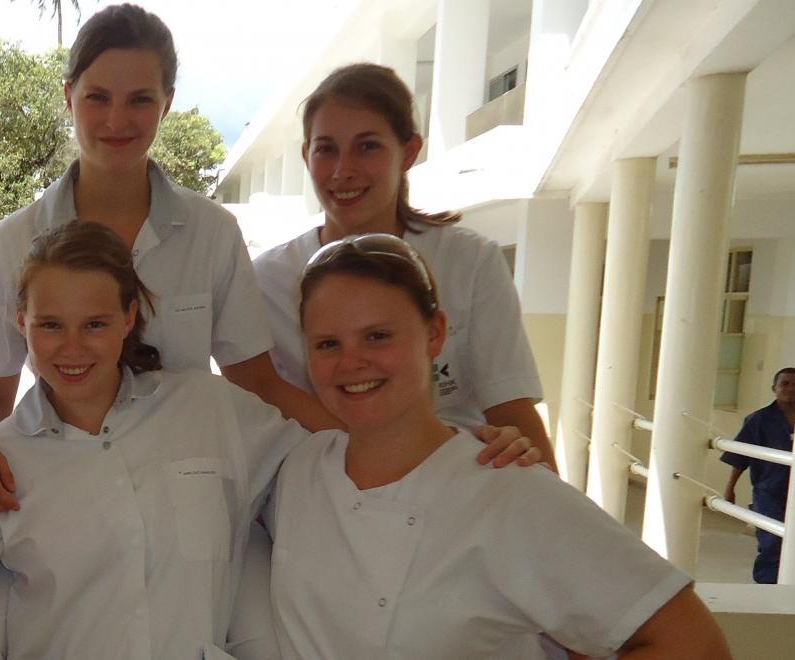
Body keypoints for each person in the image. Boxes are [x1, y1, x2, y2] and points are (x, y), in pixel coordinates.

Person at [0, 3, 339, 515]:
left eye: (140, 100)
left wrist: (386, 443)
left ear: (167, 104)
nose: (116, 120)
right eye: (98, 97)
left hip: (185, 497)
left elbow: (259, 384)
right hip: (66, 492)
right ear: (69, 98)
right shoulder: (14, 240)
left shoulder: (212, 233)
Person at [264, 233, 729, 658]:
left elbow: (693, 643)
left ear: (435, 333)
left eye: (378, 336)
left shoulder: (507, 487)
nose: (351, 362)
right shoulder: (296, 469)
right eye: (327, 344)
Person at [0, 220, 315, 659]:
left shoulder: (209, 408)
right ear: (22, 322)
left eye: (94, 324)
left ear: (129, 317)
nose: (72, 348)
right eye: (50, 325)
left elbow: (326, 471)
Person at [250, 62, 555, 467]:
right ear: (307, 156)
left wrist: (548, 493)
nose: (343, 171)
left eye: (367, 146)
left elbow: (510, 409)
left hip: (452, 487)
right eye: (326, 149)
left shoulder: (470, 262)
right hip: (325, 492)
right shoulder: (267, 280)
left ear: (409, 152)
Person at [723, 367, 795, 584]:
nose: (790, 389)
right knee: (772, 541)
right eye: (785, 384)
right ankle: (767, 589)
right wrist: (730, 488)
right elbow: (740, 457)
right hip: (769, 492)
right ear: (774, 388)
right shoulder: (759, 419)